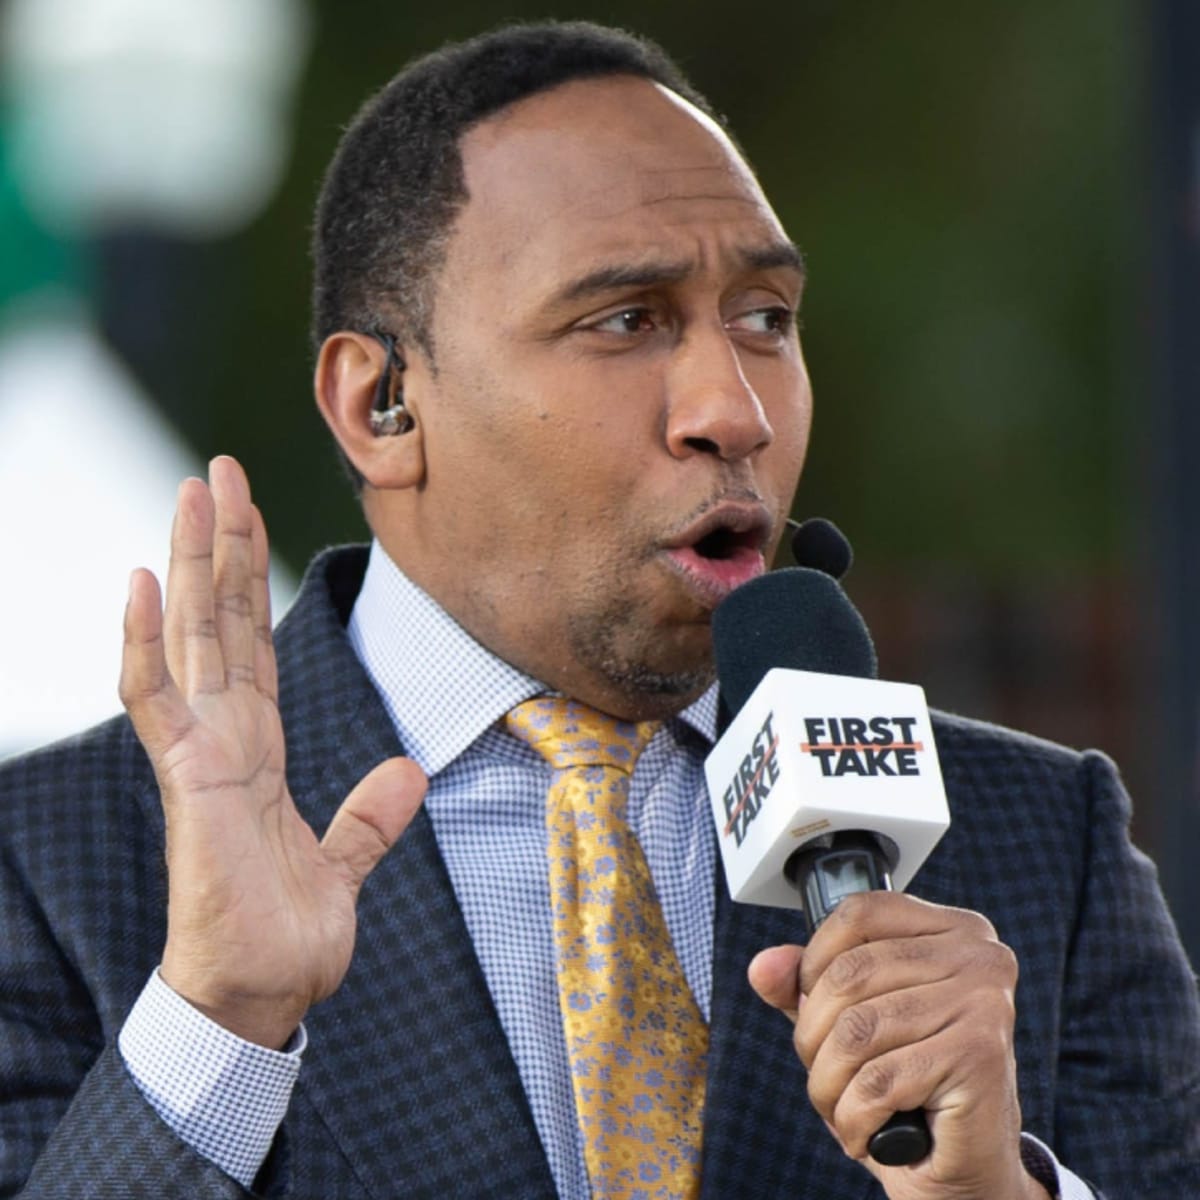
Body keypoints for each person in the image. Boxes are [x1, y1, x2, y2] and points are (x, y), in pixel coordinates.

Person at [1, 21, 1197, 1200]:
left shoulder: (1045, 842)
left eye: (766, 318)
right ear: (382, 405)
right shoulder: (55, 861)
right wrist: (217, 1023)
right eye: (625, 320)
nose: (735, 412)